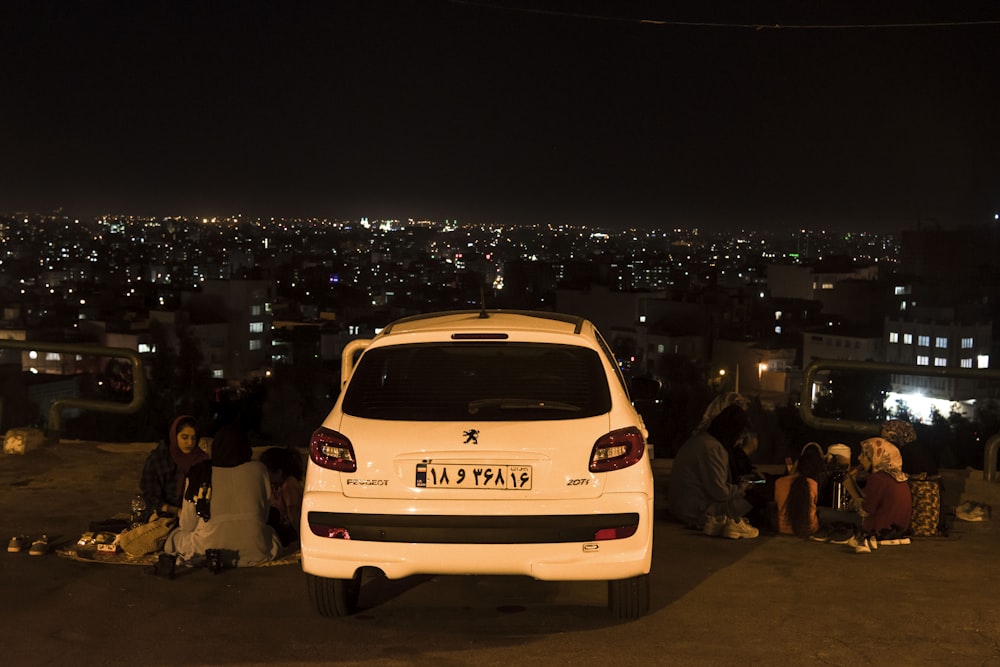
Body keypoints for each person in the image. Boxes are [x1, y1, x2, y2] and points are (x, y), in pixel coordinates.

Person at [163, 424, 282, 567]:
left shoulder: (200, 473)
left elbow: (187, 525)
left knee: (174, 538)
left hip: (206, 548)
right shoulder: (259, 469)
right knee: (271, 535)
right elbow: (263, 516)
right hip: (255, 549)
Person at [667, 392, 759, 539]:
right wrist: (743, 488)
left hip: (684, 504)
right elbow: (719, 492)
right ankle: (733, 523)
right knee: (756, 500)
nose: (740, 441)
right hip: (695, 509)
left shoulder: (704, 440)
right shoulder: (713, 448)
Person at [841, 437, 912, 552]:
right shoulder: (898, 476)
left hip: (881, 530)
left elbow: (865, 510)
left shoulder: (878, 478)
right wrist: (853, 482)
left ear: (875, 458)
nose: (859, 458)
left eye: (864, 455)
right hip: (899, 530)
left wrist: (851, 489)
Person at [139, 415, 208, 519]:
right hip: (163, 515)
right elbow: (150, 496)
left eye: (193, 438)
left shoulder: (202, 460)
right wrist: (175, 511)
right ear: (174, 436)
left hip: (194, 516)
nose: (190, 443)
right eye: (184, 437)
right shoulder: (158, 460)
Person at [774, 444, 825, 537]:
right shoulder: (812, 484)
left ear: (797, 464)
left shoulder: (779, 482)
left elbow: (777, 502)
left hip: (783, 529)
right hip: (809, 529)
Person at [259, 446, 304, 547]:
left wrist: (300, 539)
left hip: (291, 530)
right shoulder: (276, 486)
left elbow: (294, 512)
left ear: (278, 472)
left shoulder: (289, 485)